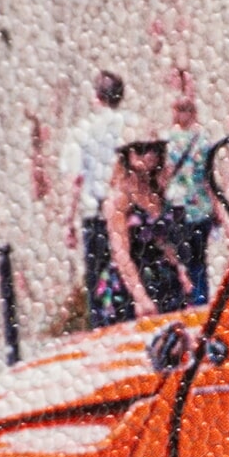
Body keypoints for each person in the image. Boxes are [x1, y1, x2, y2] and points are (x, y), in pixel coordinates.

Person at [93, 127, 194, 325]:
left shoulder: (156, 191)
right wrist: (140, 298)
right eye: (140, 149)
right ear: (128, 155)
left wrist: (181, 271)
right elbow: (121, 254)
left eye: (154, 148)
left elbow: (161, 240)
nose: (148, 154)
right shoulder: (119, 199)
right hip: (130, 286)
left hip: (163, 279)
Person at [60, 71, 128, 325]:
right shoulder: (131, 125)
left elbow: (76, 180)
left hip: (96, 214)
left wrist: (68, 221)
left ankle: (104, 329)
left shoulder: (82, 132)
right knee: (130, 274)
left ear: (96, 96)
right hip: (129, 212)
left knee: (98, 278)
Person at [163, 80, 218, 305]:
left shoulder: (168, 141)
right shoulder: (204, 141)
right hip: (200, 207)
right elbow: (209, 179)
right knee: (199, 261)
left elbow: (165, 175)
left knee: (180, 260)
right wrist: (216, 208)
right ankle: (200, 302)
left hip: (177, 206)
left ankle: (187, 302)